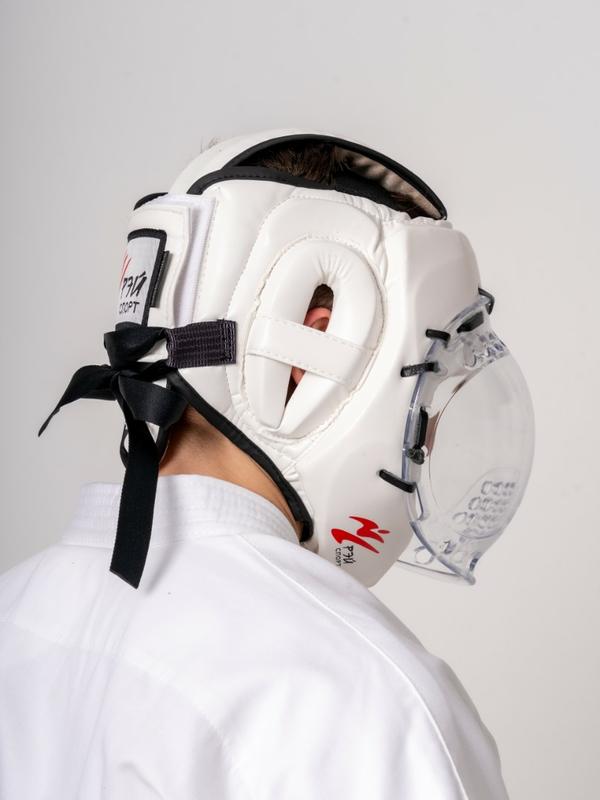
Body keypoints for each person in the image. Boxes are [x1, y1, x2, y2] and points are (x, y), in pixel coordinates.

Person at [0, 130, 529, 799]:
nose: (430, 432)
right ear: (311, 343)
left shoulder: (16, 610)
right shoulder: (365, 702)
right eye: (428, 378)